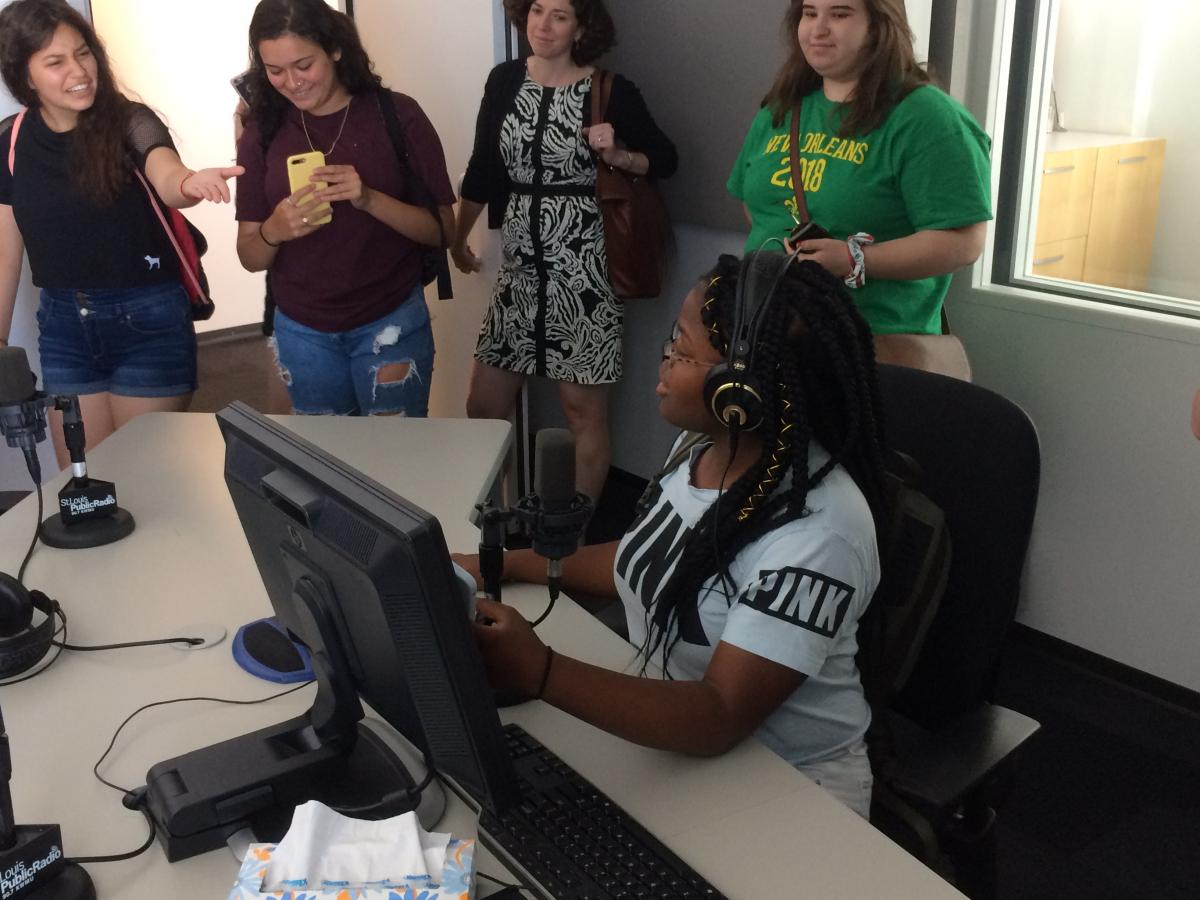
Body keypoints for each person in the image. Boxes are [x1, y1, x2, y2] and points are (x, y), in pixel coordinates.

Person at [460, 250, 889, 818]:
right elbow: (648, 555)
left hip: (790, 796)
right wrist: (502, 566)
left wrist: (541, 671)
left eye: (682, 352)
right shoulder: (706, 450)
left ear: (738, 396)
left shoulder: (819, 530)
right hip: (679, 749)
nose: (664, 363)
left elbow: (718, 715)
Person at [0, 0, 242, 467]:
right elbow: (6, 256)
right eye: (56, 61)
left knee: (144, 475)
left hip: (146, 316)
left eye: (84, 52)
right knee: (87, 478)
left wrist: (189, 183)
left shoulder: (130, 121)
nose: (80, 70)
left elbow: (168, 177)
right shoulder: (10, 142)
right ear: (25, 76)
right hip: (63, 325)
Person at [453, 0, 677, 504]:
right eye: (536, 10)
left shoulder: (610, 91)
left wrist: (618, 154)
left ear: (581, 27)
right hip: (520, 270)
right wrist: (454, 234)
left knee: (582, 412)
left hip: (586, 271)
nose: (544, 25)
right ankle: (496, 515)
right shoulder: (505, 80)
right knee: (483, 405)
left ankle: (570, 536)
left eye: (559, 15)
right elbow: (485, 166)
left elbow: (666, 159)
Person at [235, 0, 455, 417]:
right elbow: (249, 255)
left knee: (394, 464)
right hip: (302, 330)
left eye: (303, 65)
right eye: (274, 70)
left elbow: (444, 232)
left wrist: (369, 198)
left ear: (335, 49)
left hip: (391, 322)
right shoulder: (262, 133)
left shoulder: (398, 115)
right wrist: (274, 230)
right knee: (323, 468)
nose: (291, 82)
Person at [727, 0, 991, 339]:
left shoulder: (927, 119)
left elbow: (964, 241)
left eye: (839, 14)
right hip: (765, 333)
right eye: (810, 13)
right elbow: (757, 206)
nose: (818, 28)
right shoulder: (781, 108)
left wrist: (856, 259)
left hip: (872, 344)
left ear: (880, 26)